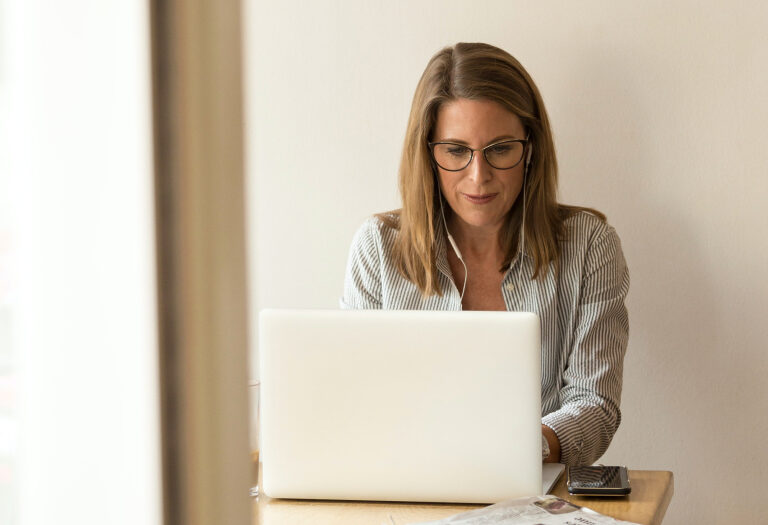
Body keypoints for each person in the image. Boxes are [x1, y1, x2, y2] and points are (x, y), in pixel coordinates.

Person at [340, 42, 629, 466]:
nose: (479, 177)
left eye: (500, 149)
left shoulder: (589, 245)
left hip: (535, 494)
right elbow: (354, 400)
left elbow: (595, 406)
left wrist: (516, 451)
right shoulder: (378, 247)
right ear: (428, 153)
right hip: (406, 488)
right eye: (456, 151)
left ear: (530, 148)